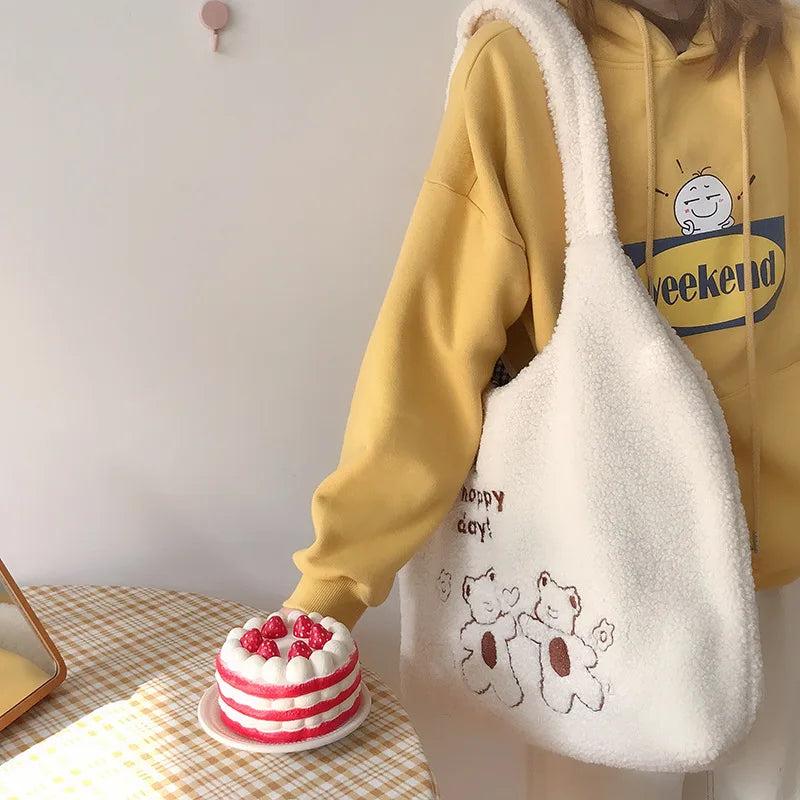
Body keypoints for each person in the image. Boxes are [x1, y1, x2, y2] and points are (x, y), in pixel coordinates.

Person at [282, 0, 799, 797]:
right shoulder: (523, 68)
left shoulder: (783, 49)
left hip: (773, 566)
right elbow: (431, 357)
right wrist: (332, 589)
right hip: (597, 581)